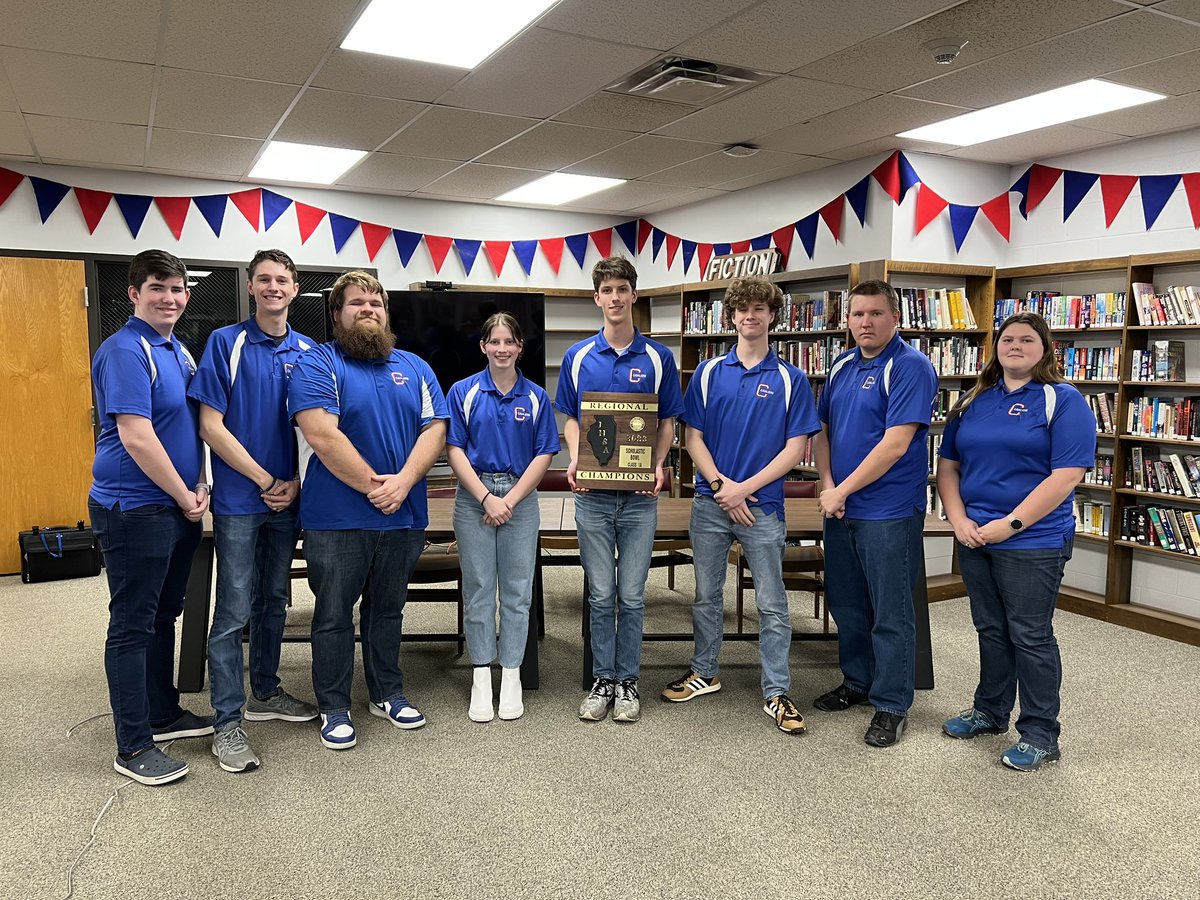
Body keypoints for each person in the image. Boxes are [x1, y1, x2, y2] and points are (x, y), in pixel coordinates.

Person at [288, 271, 449, 751]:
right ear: (337, 313)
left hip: (403, 514)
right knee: (334, 614)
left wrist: (402, 483)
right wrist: (376, 487)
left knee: (388, 610)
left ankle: (387, 693)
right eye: (357, 303)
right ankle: (334, 705)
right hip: (337, 518)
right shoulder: (318, 362)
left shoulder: (415, 367)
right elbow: (321, 433)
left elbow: (435, 430)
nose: (368, 310)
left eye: (376, 303)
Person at [660, 277, 820, 734]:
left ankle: (777, 691)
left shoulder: (791, 379)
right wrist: (720, 485)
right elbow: (693, 437)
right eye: (742, 309)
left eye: (759, 309)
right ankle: (704, 671)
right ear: (730, 317)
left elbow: (795, 449)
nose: (750, 316)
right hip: (710, 503)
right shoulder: (708, 372)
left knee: (772, 601)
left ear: (773, 316)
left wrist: (742, 489)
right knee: (705, 595)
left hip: (762, 506)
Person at [937, 312, 1094, 772]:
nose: (1016, 347)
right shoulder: (973, 399)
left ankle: (1041, 733)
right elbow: (948, 466)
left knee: (1030, 634)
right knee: (990, 628)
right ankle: (989, 711)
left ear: (1044, 349)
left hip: (1033, 540)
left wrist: (1012, 524)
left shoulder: (1062, 400)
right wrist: (958, 520)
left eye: (1027, 340)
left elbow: (1066, 475)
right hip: (975, 536)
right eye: (1008, 339)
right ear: (996, 347)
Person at [188, 249, 318, 773]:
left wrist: (297, 485)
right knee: (233, 609)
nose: (273, 287)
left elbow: (318, 430)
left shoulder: (310, 351)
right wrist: (266, 480)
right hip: (241, 501)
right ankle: (227, 722)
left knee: (275, 601)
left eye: (282, 279)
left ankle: (265, 690)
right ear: (250, 286)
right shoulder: (226, 343)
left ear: (294, 288)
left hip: (290, 499)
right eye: (263, 279)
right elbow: (210, 426)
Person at [88, 249, 212, 786]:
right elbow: (137, 437)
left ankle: (163, 712)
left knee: (164, 614)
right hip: (134, 506)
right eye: (157, 288)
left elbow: (189, 426)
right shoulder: (125, 350)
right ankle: (133, 744)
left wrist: (199, 485)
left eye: (177, 288)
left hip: (177, 503)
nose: (170, 298)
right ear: (134, 294)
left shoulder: (177, 349)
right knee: (132, 624)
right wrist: (184, 495)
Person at [555, 256, 684, 723]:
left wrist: (657, 465)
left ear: (634, 295)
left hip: (638, 500)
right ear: (597, 298)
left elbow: (666, 422)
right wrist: (575, 457)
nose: (615, 297)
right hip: (592, 498)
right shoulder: (577, 356)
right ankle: (602, 680)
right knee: (599, 595)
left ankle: (627, 680)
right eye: (606, 290)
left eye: (622, 289)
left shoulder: (658, 357)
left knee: (630, 596)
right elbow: (572, 419)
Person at [812, 279, 937, 747]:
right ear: (847, 320)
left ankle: (891, 703)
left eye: (876, 313)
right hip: (840, 506)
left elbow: (895, 444)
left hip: (887, 509)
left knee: (890, 610)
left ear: (895, 318)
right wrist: (829, 486)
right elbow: (822, 431)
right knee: (847, 603)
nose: (866, 322)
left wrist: (840, 490)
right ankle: (858, 682)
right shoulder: (841, 365)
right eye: (858, 314)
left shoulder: (910, 367)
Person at [446, 313, 560, 723]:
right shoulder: (463, 391)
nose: (501, 349)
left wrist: (508, 499)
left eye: (509, 341)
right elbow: (454, 449)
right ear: (483, 346)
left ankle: (510, 673)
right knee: (478, 589)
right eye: (494, 341)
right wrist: (485, 498)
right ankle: (481, 673)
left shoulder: (536, 397)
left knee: (517, 591)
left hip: (520, 499)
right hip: (473, 497)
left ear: (519, 347)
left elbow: (545, 453)